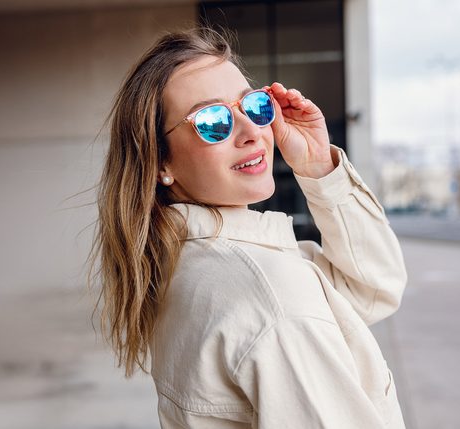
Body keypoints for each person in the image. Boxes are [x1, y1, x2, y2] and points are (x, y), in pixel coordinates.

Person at [87, 26, 408, 428]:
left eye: (254, 106)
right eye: (214, 120)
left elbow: (372, 290)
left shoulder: (190, 265)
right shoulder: (270, 294)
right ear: (160, 162)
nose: (252, 132)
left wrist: (318, 167)